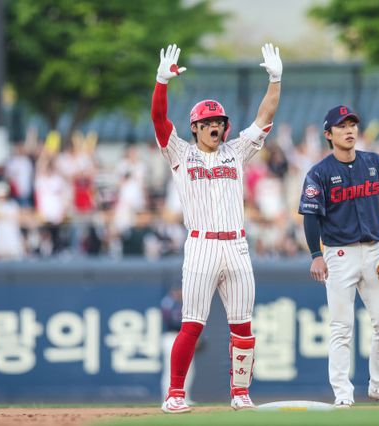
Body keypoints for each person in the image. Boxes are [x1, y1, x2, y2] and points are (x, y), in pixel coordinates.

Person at [151, 43, 282, 413]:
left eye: (219, 122)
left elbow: (264, 117)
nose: (215, 126)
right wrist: (161, 82)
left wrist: (275, 80)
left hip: (237, 245)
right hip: (202, 245)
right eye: (208, 122)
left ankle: (240, 393)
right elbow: (159, 120)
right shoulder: (181, 153)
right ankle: (175, 394)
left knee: (243, 326)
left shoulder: (235, 151)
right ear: (194, 128)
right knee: (192, 324)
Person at [298, 105, 379, 409]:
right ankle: (342, 393)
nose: (349, 130)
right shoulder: (319, 173)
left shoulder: (373, 162)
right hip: (338, 254)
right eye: (342, 126)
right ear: (329, 134)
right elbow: (310, 217)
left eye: (352, 125)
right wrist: (316, 254)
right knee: (341, 327)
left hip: (373, 251)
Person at [160, 286, 195, 403]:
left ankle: (184, 397)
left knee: (188, 370)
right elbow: (174, 322)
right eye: (178, 290)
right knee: (171, 370)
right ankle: (168, 397)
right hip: (172, 336)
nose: (180, 292)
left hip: (183, 336)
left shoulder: (182, 302)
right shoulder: (169, 302)